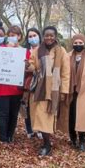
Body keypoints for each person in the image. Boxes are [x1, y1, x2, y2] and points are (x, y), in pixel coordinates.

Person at [28, 26, 70, 156]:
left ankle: (47, 144)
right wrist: (28, 66)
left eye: (52, 35)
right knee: (40, 116)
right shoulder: (37, 50)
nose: (49, 37)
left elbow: (66, 72)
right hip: (39, 90)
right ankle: (46, 142)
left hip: (53, 90)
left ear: (55, 36)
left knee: (48, 116)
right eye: (46, 35)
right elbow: (32, 65)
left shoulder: (61, 51)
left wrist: (64, 91)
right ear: (43, 36)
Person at [59, 34, 85, 152]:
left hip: (84, 92)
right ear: (72, 44)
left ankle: (82, 140)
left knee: (82, 118)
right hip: (70, 91)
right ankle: (73, 138)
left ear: (84, 43)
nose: (78, 45)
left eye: (80, 43)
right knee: (70, 117)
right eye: (76, 43)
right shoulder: (67, 56)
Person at [0, 25, 25, 143]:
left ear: (19, 36)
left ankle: (10, 135)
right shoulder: (1, 49)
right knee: (3, 113)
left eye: (14, 35)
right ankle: (3, 138)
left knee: (13, 114)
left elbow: (28, 68)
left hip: (16, 89)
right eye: (9, 36)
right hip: (0, 89)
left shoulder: (24, 51)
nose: (11, 38)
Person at [22, 27, 42, 139]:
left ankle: (39, 129)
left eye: (34, 35)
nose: (32, 38)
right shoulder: (24, 52)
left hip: (40, 83)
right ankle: (29, 129)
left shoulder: (44, 50)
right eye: (30, 36)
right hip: (26, 83)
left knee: (39, 107)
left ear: (39, 36)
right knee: (26, 106)